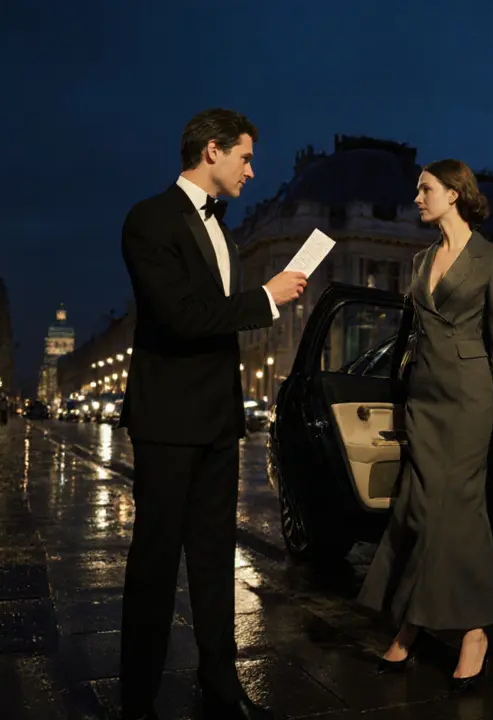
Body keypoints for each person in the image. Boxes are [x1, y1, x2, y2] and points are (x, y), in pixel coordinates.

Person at [117, 108, 307, 720]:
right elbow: (179, 317)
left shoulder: (223, 231)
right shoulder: (149, 219)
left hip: (220, 423)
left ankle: (220, 680)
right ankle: (137, 697)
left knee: (213, 557)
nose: (252, 170)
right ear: (212, 152)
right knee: (153, 561)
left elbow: (213, 320)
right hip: (168, 423)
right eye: (245, 157)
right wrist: (266, 300)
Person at [356, 158, 493, 692]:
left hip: (470, 402)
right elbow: (409, 337)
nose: (417, 199)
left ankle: (472, 632)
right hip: (423, 401)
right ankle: (415, 617)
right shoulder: (421, 258)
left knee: (460, 512)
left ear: (454, 193)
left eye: (425, 190)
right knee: (418, 508)